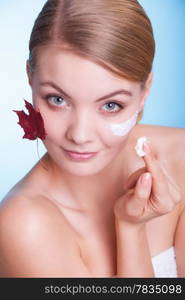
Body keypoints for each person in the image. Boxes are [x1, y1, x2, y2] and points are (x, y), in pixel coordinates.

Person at [0, 0, 185, 278]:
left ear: (145, 91)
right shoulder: (25, 224)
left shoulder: (181, 156)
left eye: (111, 105)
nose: (80, 135)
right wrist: (131, 230)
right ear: (30, 77)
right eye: (57, 99)